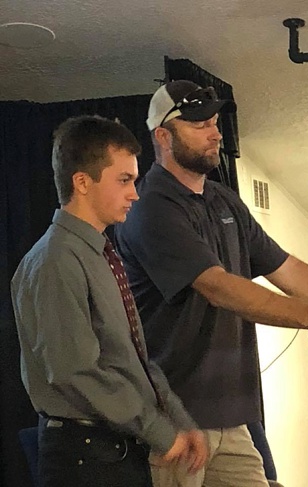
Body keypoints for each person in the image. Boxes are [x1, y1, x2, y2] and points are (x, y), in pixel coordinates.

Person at [114, 80, 308, 487]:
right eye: (199, 125)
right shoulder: (152, 208)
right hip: (173, 417)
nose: (214, 133)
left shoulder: (223, 199)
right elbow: (217, 286)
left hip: (232, 417)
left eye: (214, 122)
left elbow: (285, 267)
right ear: (163, 136)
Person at [11, 115, 207, 487]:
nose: (135, 193)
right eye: (124, 180)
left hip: (113, 450)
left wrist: (177, 420)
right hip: (84, 458)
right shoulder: (55, 259)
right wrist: (159, 430)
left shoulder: (99, 254)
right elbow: (74, 371)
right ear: (82, 182)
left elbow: (129, 357)